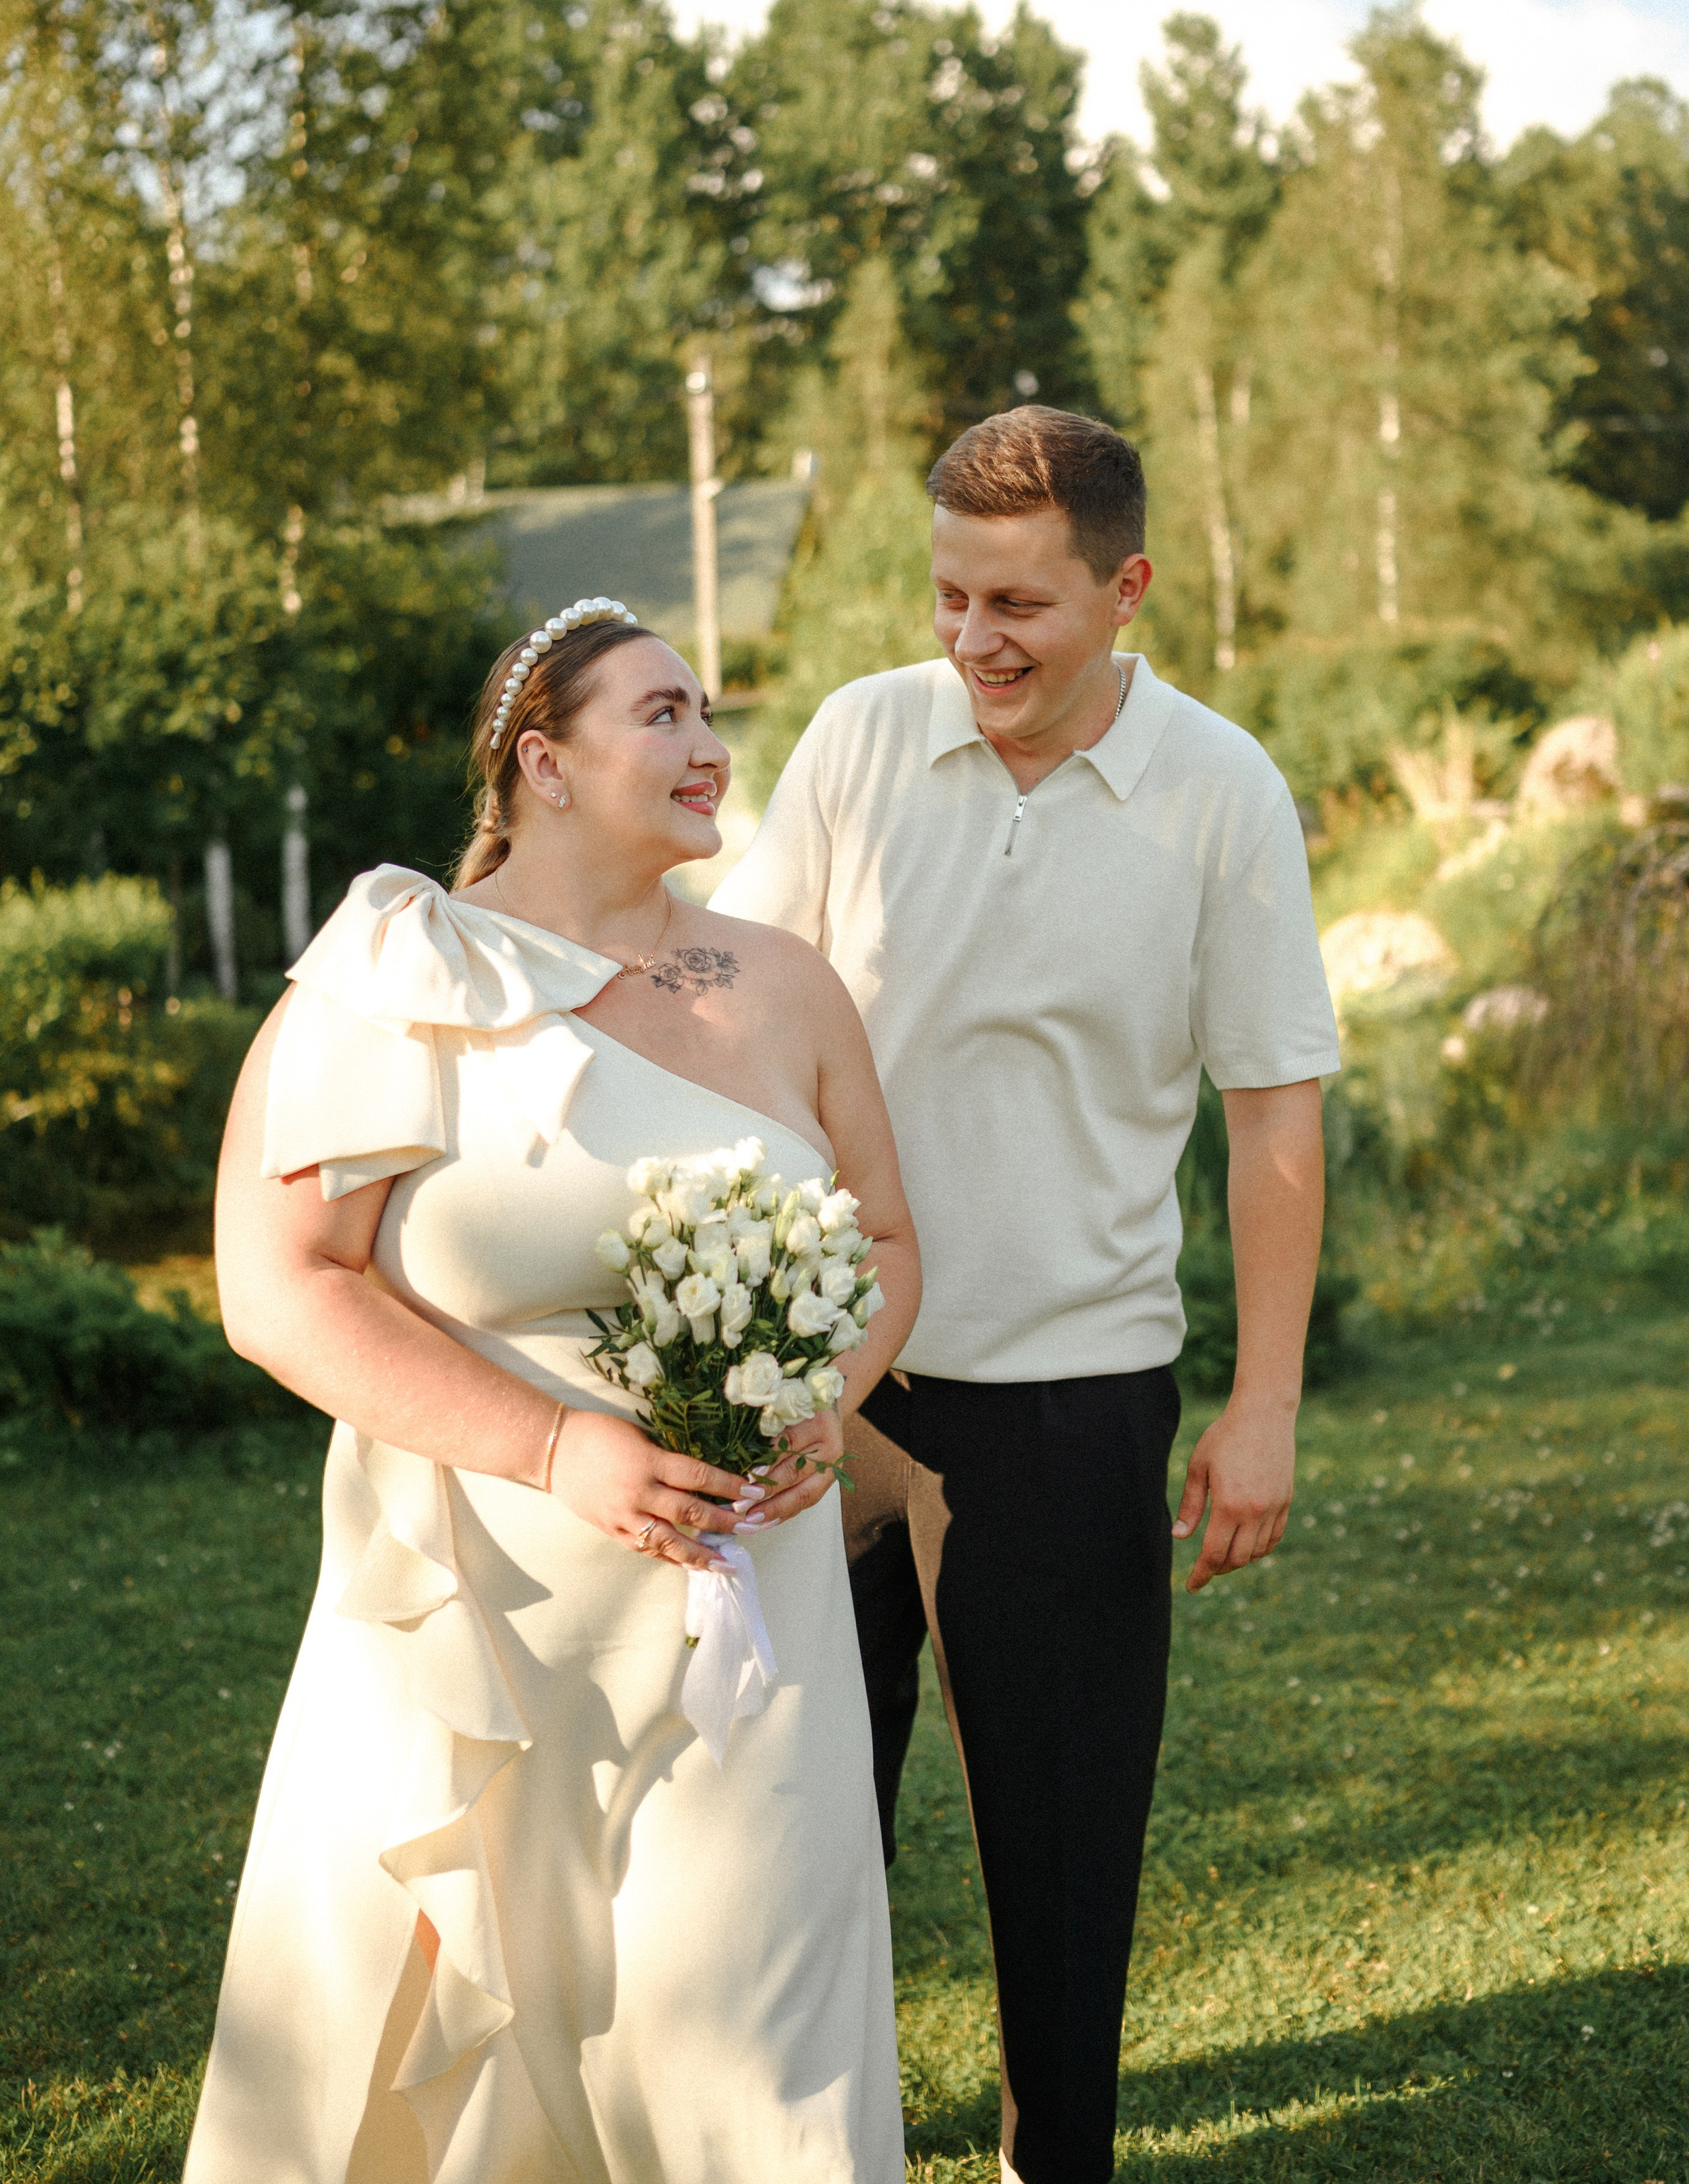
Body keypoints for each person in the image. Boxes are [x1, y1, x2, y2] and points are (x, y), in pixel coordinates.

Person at [185, 598, 918, 2184]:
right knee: (468, 2041)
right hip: (485, 1607)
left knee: (756, 2021)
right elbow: (277, 1283)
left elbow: (886, 1232)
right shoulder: (394, 971)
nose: (710, 745)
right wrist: (549, 1443)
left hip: (751, 1603)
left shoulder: (784, 987)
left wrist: (826, 1394)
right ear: (544, 760)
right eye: (660, 713)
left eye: (709, 710)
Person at [714, 408, 1341, 2184]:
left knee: (1062, 1874)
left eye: (1020, 604)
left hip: (1072, 1411)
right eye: (947, 595)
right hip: (828, 1405)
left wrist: (1266, 1400)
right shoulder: (853, 738)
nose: (972, 641)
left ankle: (1046, 2162)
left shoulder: (1225, 792)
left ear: (1125, 590)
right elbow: (747, 1024)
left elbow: (1274, 1124)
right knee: (785, 1840)